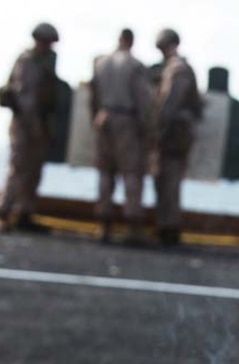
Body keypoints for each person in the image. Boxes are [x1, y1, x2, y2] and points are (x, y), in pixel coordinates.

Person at [0, 23, 59, 233]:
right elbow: (26, 97)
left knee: (34, 171)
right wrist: (35, 124)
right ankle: (2, 211)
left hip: (39, 123)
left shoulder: (46, 61)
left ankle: (24, 213)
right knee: (18, 168)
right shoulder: (28, 61)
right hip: (25, 124)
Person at [91, 29, 151, 244]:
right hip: (127, 119)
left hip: (104, 118)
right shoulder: (134, 65)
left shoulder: (101, 63)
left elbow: (93, 96)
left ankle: (103, 225)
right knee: (132, 173)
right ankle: (133, 225)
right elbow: (142, 99)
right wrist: (146, 126)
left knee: (105, 173)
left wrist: (96, 118)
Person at [149, 28, 202, 247]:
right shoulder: (177, 69)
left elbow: (169, 106)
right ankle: (167, 226)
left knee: (169, 181)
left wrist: (158, 133)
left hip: (173, 134)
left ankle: (168, 228)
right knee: (167, 181)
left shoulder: (177, 70)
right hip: (174, 132)